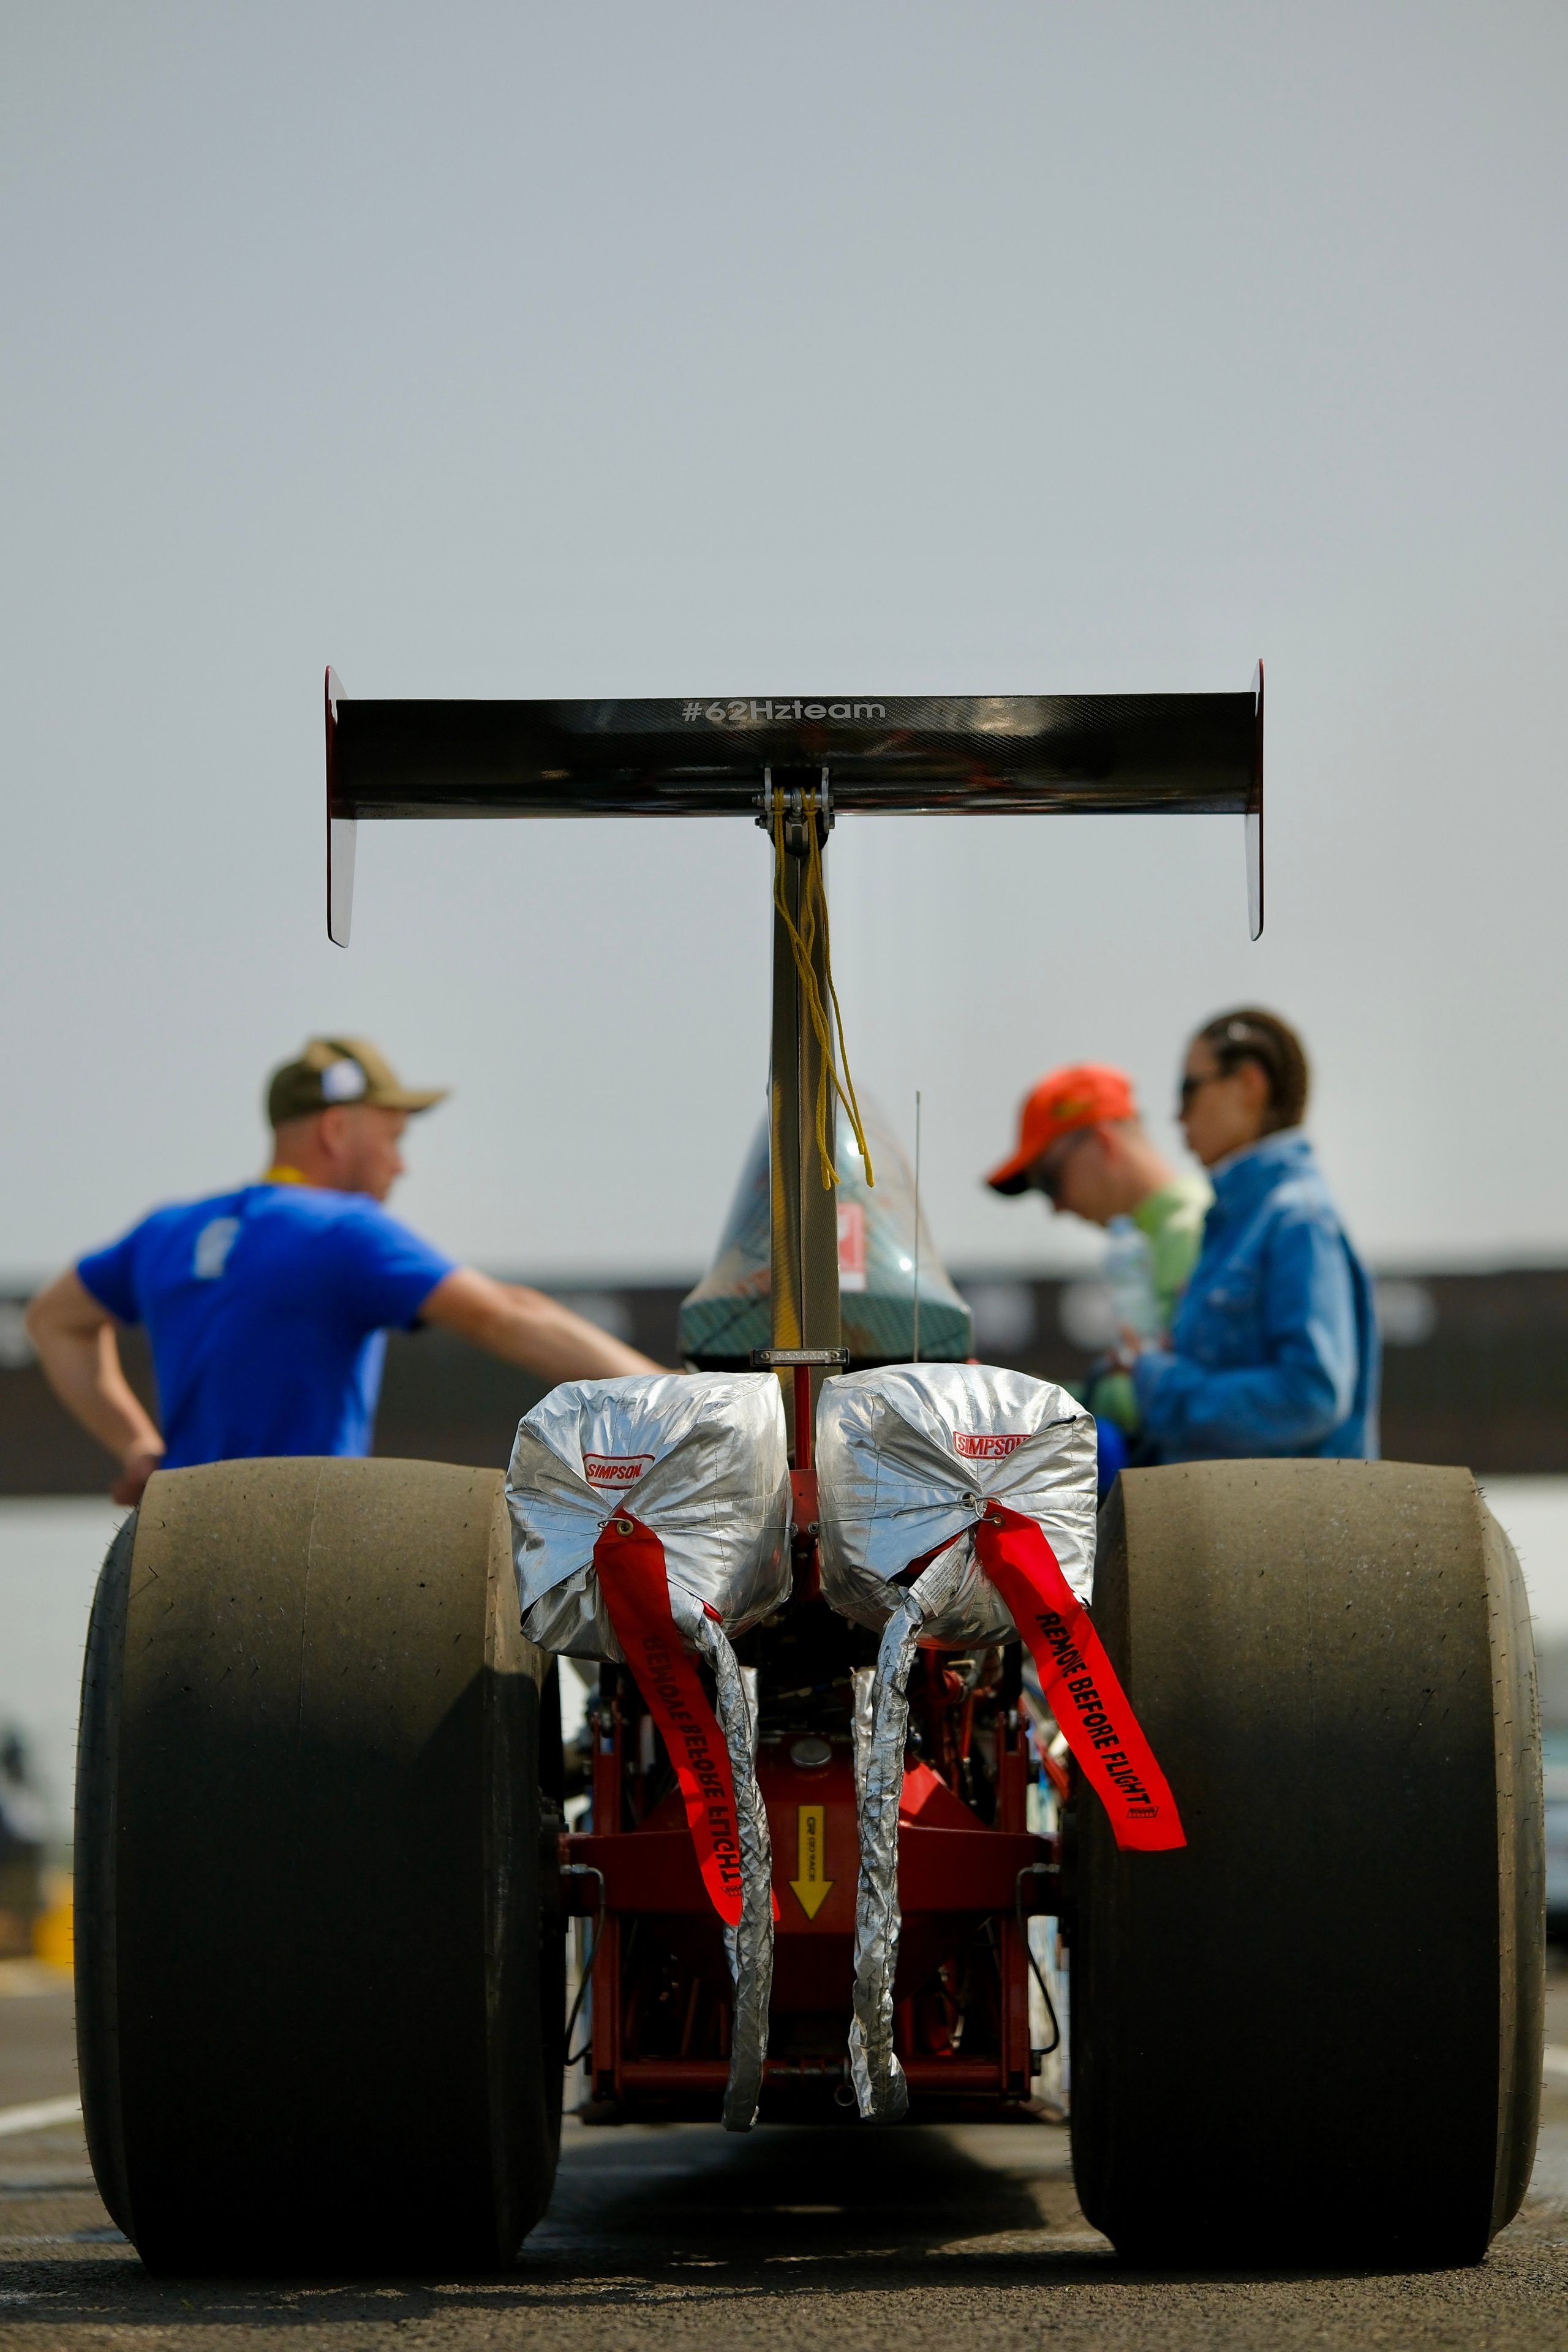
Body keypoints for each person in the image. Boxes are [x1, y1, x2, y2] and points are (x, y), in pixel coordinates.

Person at [26, 1035, 662, 1506]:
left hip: (177, 1549)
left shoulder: (167, 1230)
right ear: (335, 1130)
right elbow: (506, 1316)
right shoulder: (341, 1232)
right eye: (393, 1138)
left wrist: (137, 1447)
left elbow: (52, 1319)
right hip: (304, 1555)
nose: (400, 1165)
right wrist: (678, 1398)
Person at [1129, 1009, 1379, 1461]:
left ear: (1249, 1084)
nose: (1178, 1115)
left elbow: (1312, 1395)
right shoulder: (1240, 1221)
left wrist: (1159, 1383)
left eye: (1189, 1090)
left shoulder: (1298, 1219)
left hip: (1282, 1510)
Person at [985, 1062, 1211, 1484]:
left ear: (1103, 1141)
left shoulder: (1193, 1231)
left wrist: (1032, 1403)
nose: (1055, 1207)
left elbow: (1172, 1398)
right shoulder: (1149, 1238)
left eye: (1050, 1181)